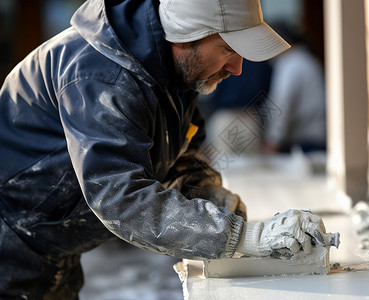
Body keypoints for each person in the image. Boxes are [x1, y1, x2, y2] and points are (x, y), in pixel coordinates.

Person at [0, 0, 327, 298]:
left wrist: (226, 211)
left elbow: (183, 163)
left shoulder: (169, 73)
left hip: (50, 242)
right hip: (11, 244)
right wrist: (242, 237)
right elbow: (120, 198)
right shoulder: (104, 78)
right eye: (229, 49)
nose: (238, 67)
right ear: (186, 36)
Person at [263, 25, 327, 154]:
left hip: (304, 142)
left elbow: (282, 104)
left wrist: (273, 140)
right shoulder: (306, 60)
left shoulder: (291, 64)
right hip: (316, 137)